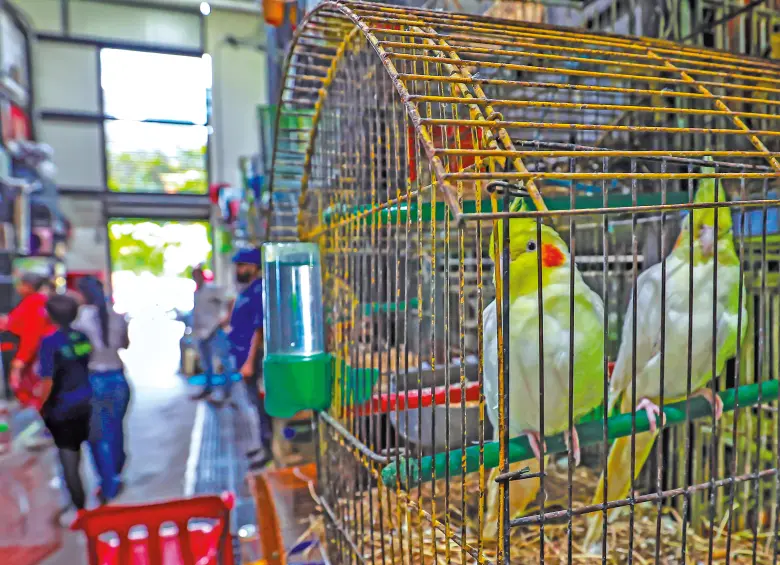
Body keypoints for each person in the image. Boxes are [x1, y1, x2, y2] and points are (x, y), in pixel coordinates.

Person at [73, 275, 131, 504]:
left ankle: (108, 484)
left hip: (93, 379)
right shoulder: (117, 316)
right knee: (115, 429)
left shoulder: (80, 319)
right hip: (118, 378)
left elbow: (79, 352)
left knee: (97, 436)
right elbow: (125, 345)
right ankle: (116, 473)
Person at [38, 294, 93, 525]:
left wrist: (40, 406)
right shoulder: (82, 337)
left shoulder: (50, 342)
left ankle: (80, 510)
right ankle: (78, 502)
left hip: (63, 409)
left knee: (68, 460)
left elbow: (48, 381)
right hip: (86, 403)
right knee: (78, 457)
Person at [228, 248, 272, 469]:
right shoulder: (247, 290)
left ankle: (268, 449)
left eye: (242, 265)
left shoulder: (259, 291)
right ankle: (263, 445)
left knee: (260, 406)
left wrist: (249, 362)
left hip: (252, 360)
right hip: (242, 357)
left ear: (254, 267)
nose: (239, 270)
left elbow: (258, 329)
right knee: (254, 406)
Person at [0, 272, 56, 410]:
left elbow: (32, 335)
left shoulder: (35, 302)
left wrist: (20, 360)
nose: (17, 287)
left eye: (20, 284)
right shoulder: (31, 301)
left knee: (29, 398)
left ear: (28, 286)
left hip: (28, 360)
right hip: (25, 356)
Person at [190, 265, 233, 402]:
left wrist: (225, 318)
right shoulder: (197, 292)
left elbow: (230, 299)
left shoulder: (212, 289)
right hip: (202, 333)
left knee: (223, 362)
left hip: (214, 330)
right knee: (206, 363)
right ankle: (208, 389)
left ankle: (226, 393)